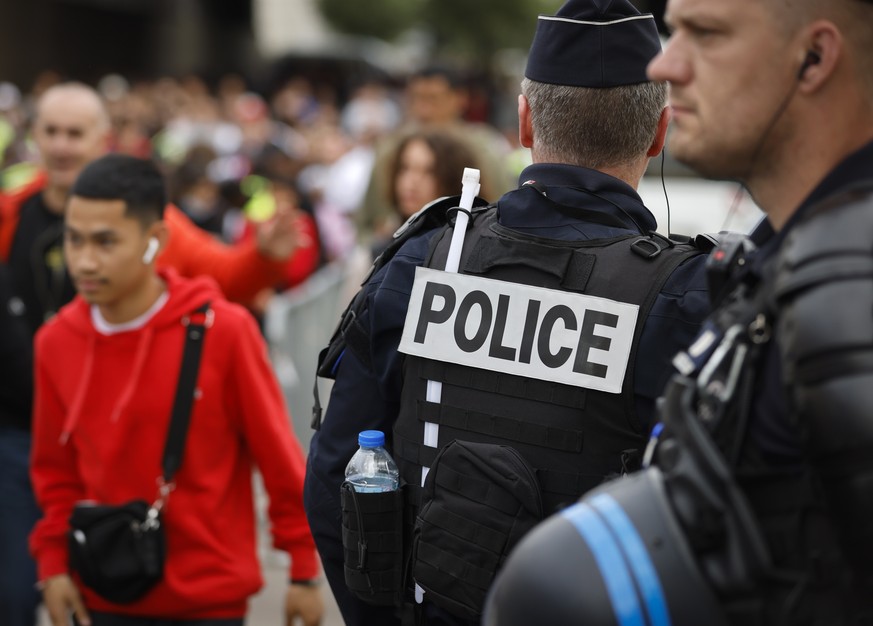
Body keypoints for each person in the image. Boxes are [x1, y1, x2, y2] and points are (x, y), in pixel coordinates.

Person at [303, 1, 712, 624]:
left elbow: (339, 474)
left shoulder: (425, 260)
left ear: (523, 121)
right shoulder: (686, 301)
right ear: (659, 133)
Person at [485, 0, 873, 624]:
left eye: (707, 34)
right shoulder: (791, 260)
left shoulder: (850, 288)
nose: (666, 62)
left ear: (816, 57)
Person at [0, 81, 317, 626]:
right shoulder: (47, 310)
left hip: (207, 596)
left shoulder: (223, 330)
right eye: (74, 241)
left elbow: (280, 460)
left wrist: (304, 568)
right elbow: (54, 475)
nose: (84, 261)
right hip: (97, 571)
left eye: (103, 242)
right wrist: (55, 565)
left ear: (152, 240)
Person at [355, 66, 514, 247]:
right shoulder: (390, 148)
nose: (424, 110)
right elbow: (367, 221)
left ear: (460, 98)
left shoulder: (483, 148)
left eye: (433, 99)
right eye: (416, 98)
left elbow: (501, 210)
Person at [369, 127, 492, 258]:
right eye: (405, 168)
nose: (412, 181)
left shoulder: (473, 250)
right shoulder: (379, 250)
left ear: (452, 178)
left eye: (429, 171)